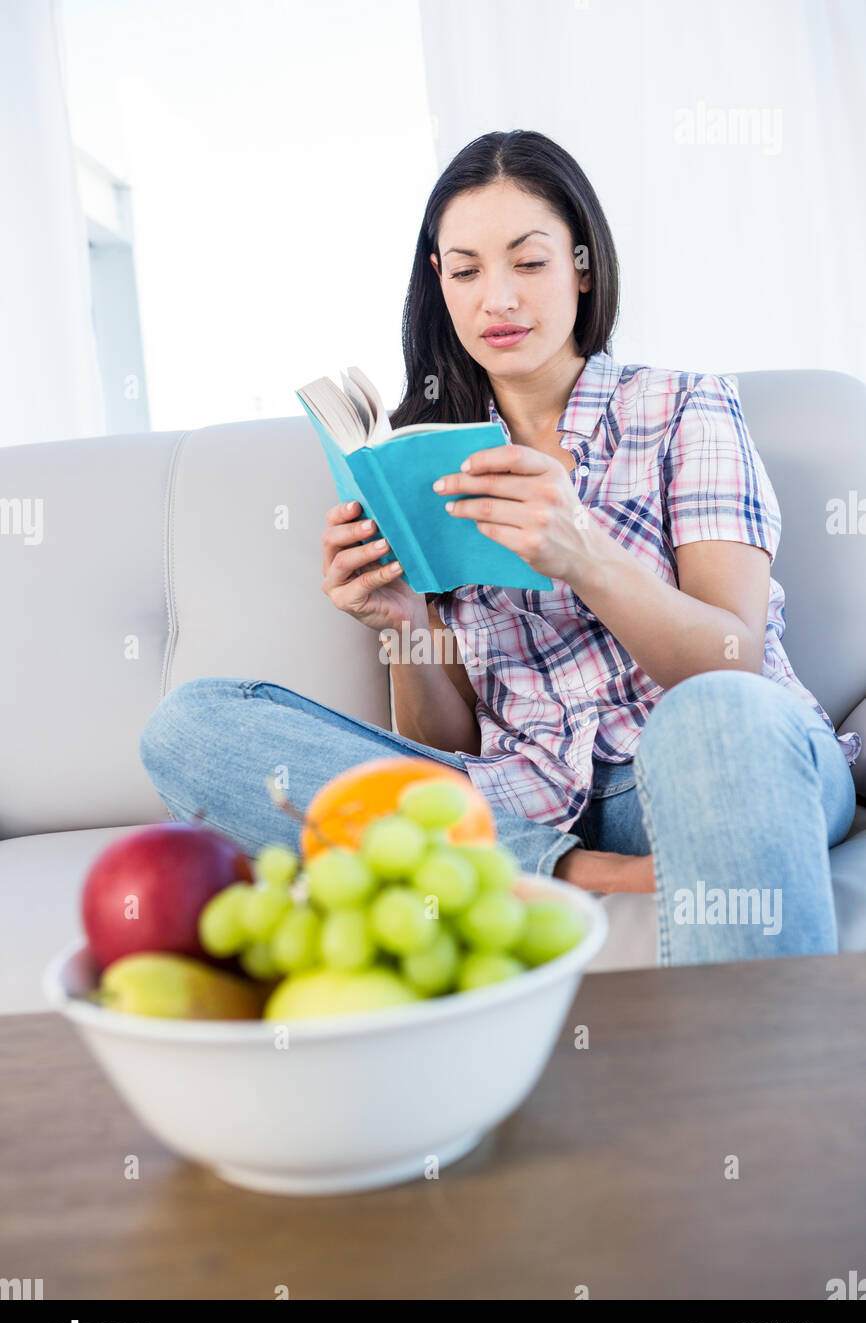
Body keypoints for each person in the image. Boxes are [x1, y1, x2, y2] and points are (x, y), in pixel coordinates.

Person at [139, 129, 860, 966]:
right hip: (527, 799)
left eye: (529, 261)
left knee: (717, 716)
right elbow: (452, 746)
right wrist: (402, 619)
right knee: (190, 728)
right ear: (438, 282)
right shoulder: (427, 454)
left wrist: (585, 554)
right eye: (468, 269)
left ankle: (744, 1086)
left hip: (711, 756)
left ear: (582, 266)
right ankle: (572, 872)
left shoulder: (685, 408)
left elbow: (731, 662)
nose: (499, 299)